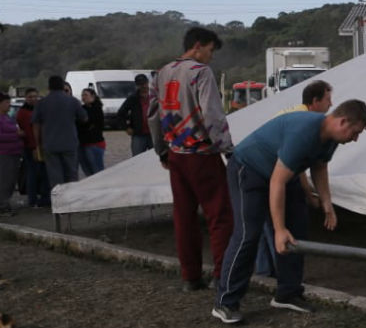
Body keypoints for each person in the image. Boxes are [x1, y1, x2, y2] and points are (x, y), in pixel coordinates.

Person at [212, 99, 366, 325]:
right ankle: (225, 302)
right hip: (248, 169)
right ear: (342, 121)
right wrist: (279, 229)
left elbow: (319, 166)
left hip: (284, 174)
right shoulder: (303, 133)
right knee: (248, 234)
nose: (355, 139)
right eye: (355, 132)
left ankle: (288, 293)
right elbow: (277, 182)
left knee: (297, 228)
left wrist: (327, 204)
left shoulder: (331, 138)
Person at [148, 27, 235, 292]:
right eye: (210, 50)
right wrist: (227, 148)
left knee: (183, 217)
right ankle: (222, 275)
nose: (210, 57)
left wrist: (161, 150)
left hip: (176, 154)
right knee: (220, 216)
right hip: (202, 154)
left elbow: (153, 114)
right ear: (197, 46)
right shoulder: (200, 72)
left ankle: (190, 277)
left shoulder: (161, 73)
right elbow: (212, 114)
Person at [254, 79, 334, 277]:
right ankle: (283, 273)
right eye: (327, 100)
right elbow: (295, 166)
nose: (331, 104)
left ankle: (266, 272)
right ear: (315, 101)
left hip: (262, 167)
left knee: (265, 224)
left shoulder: (296, 113)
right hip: (269, 171)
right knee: (279, 223)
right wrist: (308, 193)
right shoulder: (305, 121)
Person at [32, 76, 86, 192]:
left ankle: (59, 199)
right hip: (69, 143)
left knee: (54, 176)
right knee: (71, 174)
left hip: (50, 144)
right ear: (62, 86)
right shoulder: (73, 101)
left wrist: (37, 144)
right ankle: (72, 197)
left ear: (49, 87)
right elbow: (84, 118)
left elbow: (36, 125)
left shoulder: (42, 103)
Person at [15, 88, 49, 207]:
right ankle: (33, 199)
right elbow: (28, 132)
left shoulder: (39, 109)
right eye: (30, 97)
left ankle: (44, 197)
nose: (33, 99)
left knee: (43, 172)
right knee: (33, 173)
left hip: (41, 145)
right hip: (31, 147)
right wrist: (35, 147)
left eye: (35, 96)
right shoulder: (23, 112)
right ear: (26, 98)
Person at [116, 73, 154, 155]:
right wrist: (126, 128)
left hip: (154, 133)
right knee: (137, 158)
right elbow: (120, 114)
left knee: (156, 158)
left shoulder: (155, 96)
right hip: (138, 134)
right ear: (137, 85)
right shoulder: (132, 98)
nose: (143, 86)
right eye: (140, 84)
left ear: (148, 82)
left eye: (144, 83)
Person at [77, 88, 106, 177]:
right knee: (87, 171)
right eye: (82, 95)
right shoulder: (81, 109)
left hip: (94, 143)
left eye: (86, 95)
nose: (83, 97)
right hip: (82, 143)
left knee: (97, 171)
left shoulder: (97, 109)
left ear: (93, 96)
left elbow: (90, 123)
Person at [0, 94, 21, 216]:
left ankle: (5, 203)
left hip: (14, 152)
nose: (9, 105)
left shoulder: (7, 117)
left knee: (11, 181)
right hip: (4, 154)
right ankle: (2, 206)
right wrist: (16, 135)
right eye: (7, 103)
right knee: (4, 180)